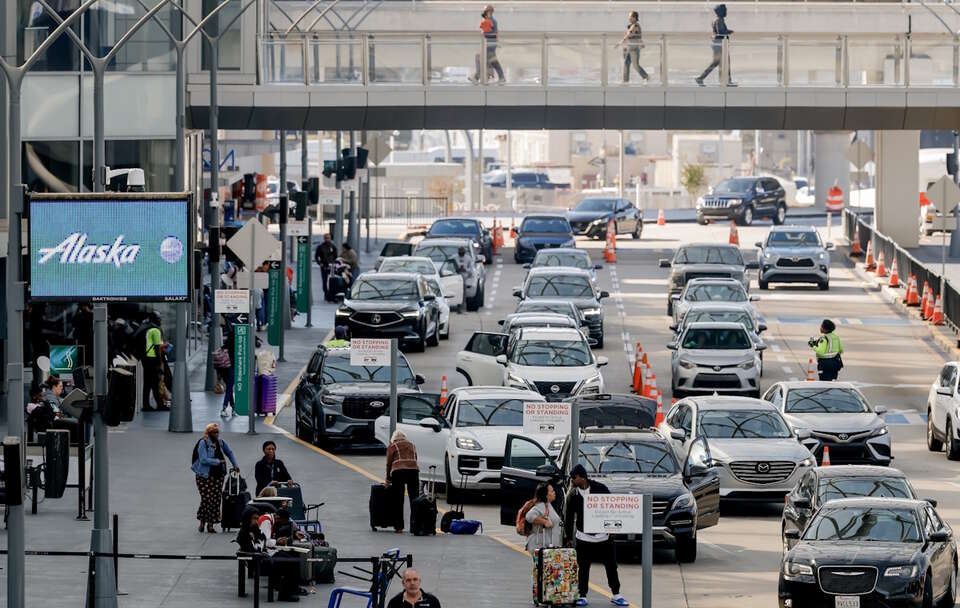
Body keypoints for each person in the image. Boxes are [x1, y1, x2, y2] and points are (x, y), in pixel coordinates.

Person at [564, 464, 628, 607]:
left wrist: (613, 529)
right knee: (583, 567)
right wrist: (568, 538)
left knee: (611, 566)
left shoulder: (601, 489)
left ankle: (616, 594)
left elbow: (612, 509)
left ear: (581, 477)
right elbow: (568, 518)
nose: (572, 481)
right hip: (583, 538)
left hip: (603, 537)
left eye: (573, 478)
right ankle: (582, 595)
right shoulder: (572, 495)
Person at [236, 508, 304, 602]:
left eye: (257, 518)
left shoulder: (255, 531)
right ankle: (285, 594)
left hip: (266, 556)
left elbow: (262, 543)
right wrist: (274, 545)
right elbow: (254, 549)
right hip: (262, 561)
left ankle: (290, 589)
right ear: (247, 519)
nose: (256, 521)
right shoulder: (244, 534)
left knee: (293, 558)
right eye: (254, 519)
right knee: (292, 563)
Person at [191, 423, 239, 533]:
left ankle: (210, 524)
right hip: (204, 476)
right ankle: (203, 521)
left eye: (217, 432)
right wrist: (218, 461)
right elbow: (203, 459)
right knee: (207, 499)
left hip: (218, 476)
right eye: (214, 432)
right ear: (208, 433)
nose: (216, 434)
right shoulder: (203, 443)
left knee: (216, 499)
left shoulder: (221, 443)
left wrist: (235, 465)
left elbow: (229, 452)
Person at [526, 482, 564, 600]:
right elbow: (529, 516)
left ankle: (546, 596)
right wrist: (544, 522)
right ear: (546, 495)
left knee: (546, 572)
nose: (554, 493)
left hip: (548, 544)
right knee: (540, 572)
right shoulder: (540, 506)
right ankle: (539, 596)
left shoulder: (548, 505)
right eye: (551, 491)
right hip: (540, 544)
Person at [385, 430, 419, 533]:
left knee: (398, 499)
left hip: (398, 472)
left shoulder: (392, 446)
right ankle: (415, 526)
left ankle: (399, 527)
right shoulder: (412, 445)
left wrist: (387, 478)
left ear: (393, 439)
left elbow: (388, 464)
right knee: (414, 499)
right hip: (413, 471)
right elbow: (415, 458)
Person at [696, 3, 733, 86]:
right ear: (720, 11)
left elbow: (719, 31)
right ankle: (727, 80)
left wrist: (728, 31)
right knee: (724, 62)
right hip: (720, 44)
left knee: (718, 62)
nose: (726, 11)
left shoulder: (717, 20)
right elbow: (720, 32)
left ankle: (702, 78)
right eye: (724, 10)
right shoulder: (719, 20)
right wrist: (727, 33)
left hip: (717, 44)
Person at [470, 5, 505, 84]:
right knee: (492, 61)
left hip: (489, 44)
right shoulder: (489, 20)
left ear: (490, 12)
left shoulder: (490, 21)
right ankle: (499, 77)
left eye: (486, 11)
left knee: (481, 58)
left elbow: (488, 33)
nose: (484, 12)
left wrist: (494, 42)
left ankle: (478, 76)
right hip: (489, 44)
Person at [142, 314, 169, 411]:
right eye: (159, 319)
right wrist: (159, 363)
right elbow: (157, 348)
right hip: (153, 359)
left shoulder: (148, 329)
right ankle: (160, 405)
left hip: (146, 358)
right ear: (155, 320)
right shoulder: (156, 330)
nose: (160, 320)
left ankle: (147, 405)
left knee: (148, 384)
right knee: (155, 383)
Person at [619, 11, 649, 83]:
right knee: (626, 63)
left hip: (634, 48)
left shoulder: (635, 26)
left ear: (635, 18)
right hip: (630, 48)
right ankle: (625, 81)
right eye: (629, 17)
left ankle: (646, 76)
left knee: (635, 65)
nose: (629, 18)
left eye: (630, 17)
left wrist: (622, 41)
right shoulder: (632, 25)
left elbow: (629, 33)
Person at [315, 233, 338, 301]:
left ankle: (331, 294)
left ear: (330, 238)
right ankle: (326, 293)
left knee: (332, 280)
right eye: (326, 238)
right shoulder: (320, 247)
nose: (327, 239)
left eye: (328, 238)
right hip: (324, 266)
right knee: (324, 280)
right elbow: (316, 257)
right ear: (324, 239)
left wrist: (334, 262)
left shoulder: (333, 246)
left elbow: (335, 255)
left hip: (332, 266)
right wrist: (320, 263)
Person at [220, 326, 236, 417]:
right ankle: (224, 408)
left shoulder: (227, 343)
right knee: (229, 388)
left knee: (229, 387)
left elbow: (222, 348)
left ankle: (233, 408)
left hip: (224, 368)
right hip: (232, 367)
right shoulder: (237, 344)